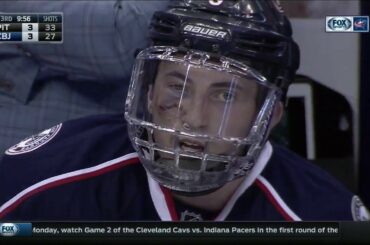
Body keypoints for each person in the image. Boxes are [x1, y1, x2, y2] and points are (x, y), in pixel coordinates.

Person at [0, 0, 369, 221]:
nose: (193, 119)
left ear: (270, 115)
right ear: (147, 92)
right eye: (178, 87)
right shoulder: (40, 182)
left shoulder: (323, 213)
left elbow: (119, 35)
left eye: (225, 96)